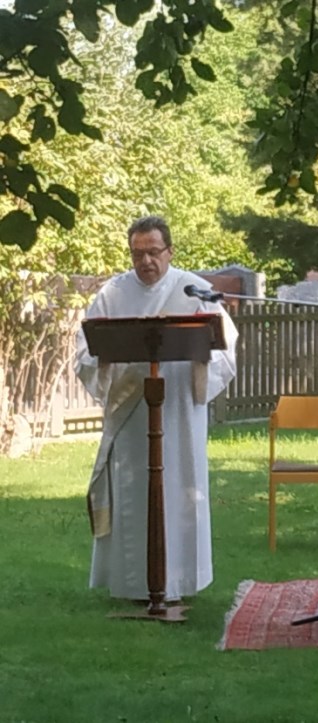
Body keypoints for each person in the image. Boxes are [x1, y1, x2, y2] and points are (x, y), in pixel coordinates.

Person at [74, 215, 238, 601]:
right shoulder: (113, 294)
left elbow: (225, 348)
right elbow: (86, 350)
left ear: (170, 251)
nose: (145, 261)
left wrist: (203, 358)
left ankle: (178, 583)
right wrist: (107, 359)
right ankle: (133, 583)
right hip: (132, 415)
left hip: (178, 408)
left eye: (153, 252)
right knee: (133, 491)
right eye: (137, 254)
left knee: (180, 490)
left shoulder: (194, 290)